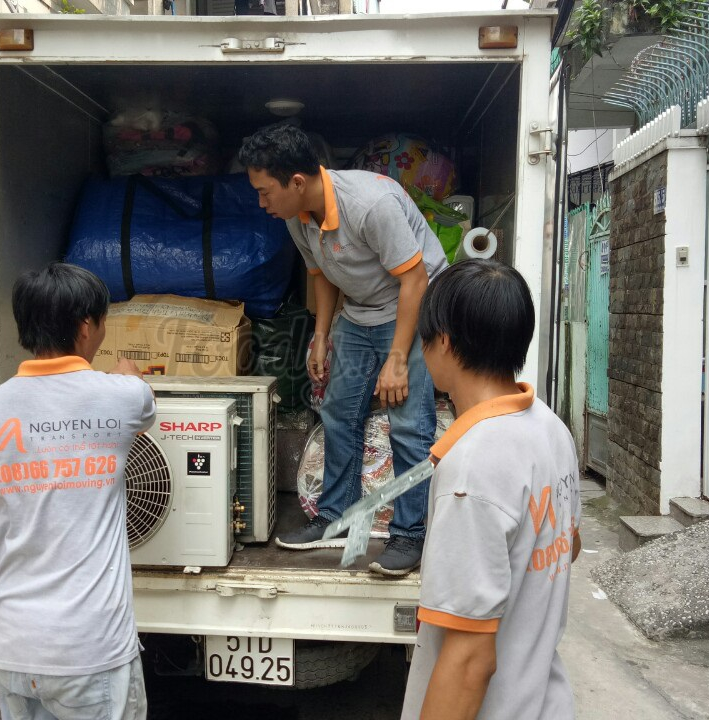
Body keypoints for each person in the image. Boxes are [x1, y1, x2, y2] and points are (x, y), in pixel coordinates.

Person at [0, 263, 154, 720]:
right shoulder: (124, 397)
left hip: (16, 650)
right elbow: (143, 405)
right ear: (87, 326)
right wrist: (129, 375)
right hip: (93, 650)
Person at [238, 123, 449, 576]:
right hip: (360, 310)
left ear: (297, 182)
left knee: (408, 423)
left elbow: (415, 280)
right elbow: (321, 274)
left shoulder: (371, 204)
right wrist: (321, 336)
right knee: (338, 411)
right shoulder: (298, 216)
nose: (261, 203)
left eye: (264, 191)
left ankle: (410, 535)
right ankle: (336, 516)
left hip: (413, 303)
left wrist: (397, 359)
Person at [401, 259, 581, 720]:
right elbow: (569, 543)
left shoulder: (473, 467)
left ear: (443, 341)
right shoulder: (550, 427)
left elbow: (469, 662)